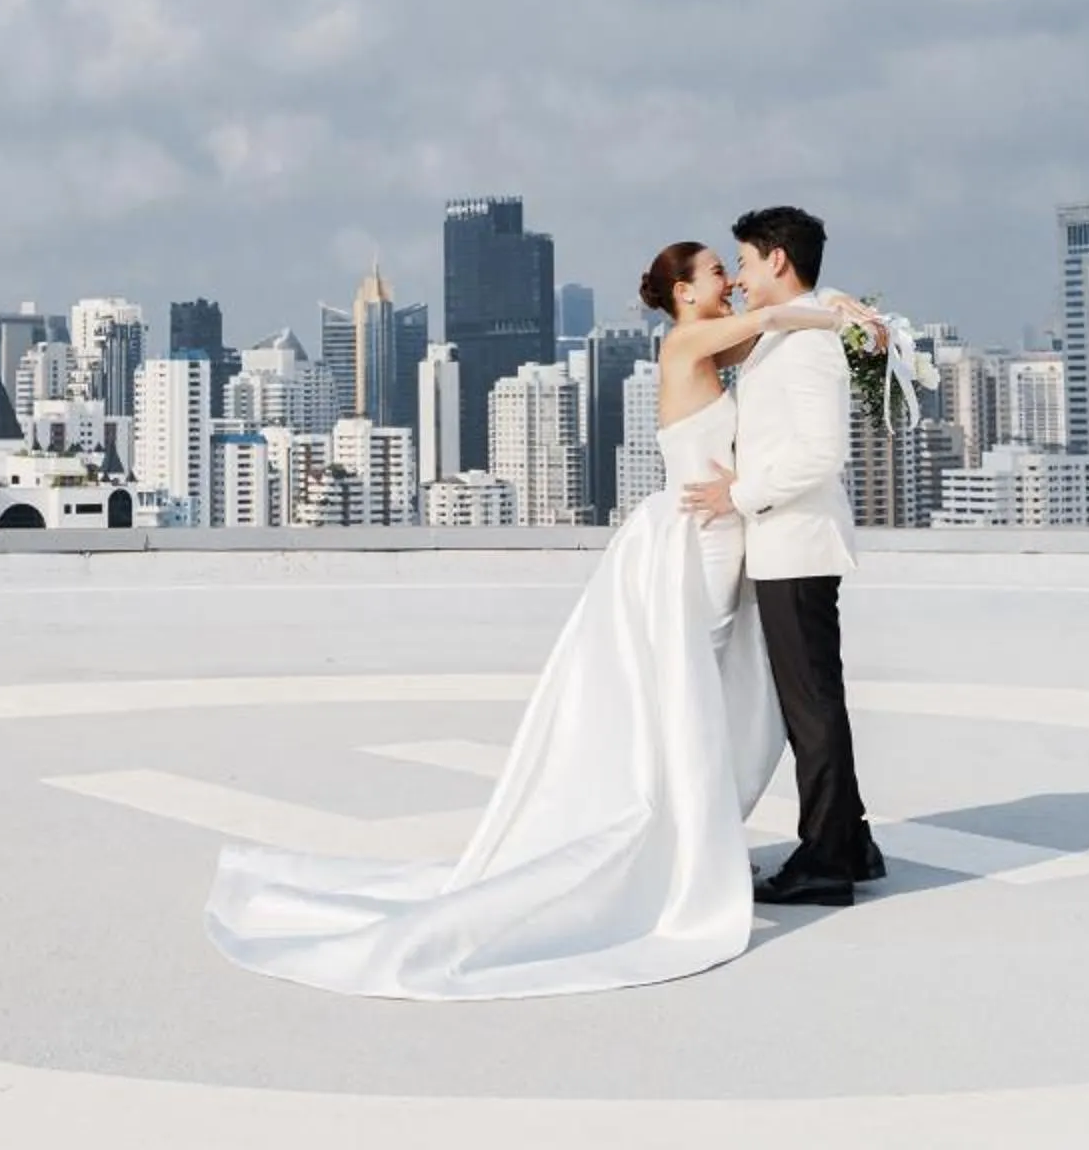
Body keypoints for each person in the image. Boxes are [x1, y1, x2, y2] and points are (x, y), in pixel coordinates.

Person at [201, 239, 876, 998]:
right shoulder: (690, 339)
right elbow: (783, 317)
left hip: (715, 536)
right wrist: (834, 309)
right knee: (686, 694)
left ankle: (706, 837)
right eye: (719, 271)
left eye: (735, 265)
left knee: (700, 694)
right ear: (686, 294)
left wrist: (835, 312)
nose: (732, 279)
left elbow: (778, 327)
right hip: (695, 539)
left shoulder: (720, 337)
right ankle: (678, 845)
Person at [679, 205, 885, 907]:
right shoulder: (794, 330)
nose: (736, 275)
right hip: (784, 544)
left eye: (742, 261)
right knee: (816, 701)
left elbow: (820, 455)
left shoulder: (807, 344)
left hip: (794, 543)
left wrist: (740, 494)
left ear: (775, 259)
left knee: (811, 708)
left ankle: (825, 860)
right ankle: (850, 843)